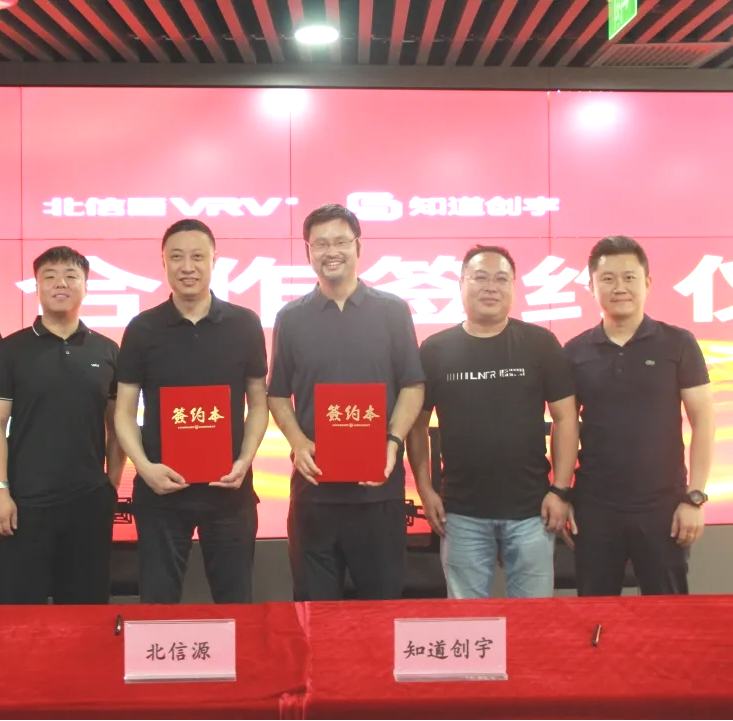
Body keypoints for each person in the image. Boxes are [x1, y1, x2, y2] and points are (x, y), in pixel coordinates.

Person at [267, 203, 426, 602]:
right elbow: (277, 393)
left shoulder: (392, 311)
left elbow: (412, 385)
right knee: (314, 613)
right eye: (320, 243)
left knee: (381, 612)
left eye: (340, 241)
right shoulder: (291, 317)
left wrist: (392, 443)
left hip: (378, 491)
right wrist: (298, 442)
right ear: (308, 252)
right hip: (314, 492)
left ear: (358, 246)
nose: (331, 251)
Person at [407, 244, 578, 600]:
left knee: (533, 620)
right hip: (461, 513)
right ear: (461, 284)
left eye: (501, 279)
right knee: (467, 622)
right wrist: (425, 490)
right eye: (480, 278)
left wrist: (560, 489)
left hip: (532, 511)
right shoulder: (435, 349)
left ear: (513, 287)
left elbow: (565, 419)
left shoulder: (540, 344)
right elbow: (416, 425)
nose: (491, 287)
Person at [113, 219, 269, 605]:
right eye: (177, 257)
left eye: (198, 257)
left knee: (236, 605)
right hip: (161, 495)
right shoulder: (142, 329)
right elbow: (124, 411)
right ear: (163, 262)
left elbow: (258, 403)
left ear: (214, 261)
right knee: (158, 605)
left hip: (229, 493)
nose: (187, 267)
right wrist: (144, 468)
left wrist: (245, 460)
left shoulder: (245, 324)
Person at [564, 235, 714, 596]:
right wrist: (564, 493)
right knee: (595, 614)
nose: (619, 287)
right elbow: (565, 427)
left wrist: (694, 497)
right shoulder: (574, 351)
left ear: (647, 282)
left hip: (664, 506)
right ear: (591, 287)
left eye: (629, 277)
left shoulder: (678, 343)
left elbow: (703, 422)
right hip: (595, 507)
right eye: (607, 278)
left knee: (668, 613)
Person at [0, 246, 126, 605]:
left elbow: (118, 425)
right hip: (25, 503)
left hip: (88, 502)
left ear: (86, 287)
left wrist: (110, 484)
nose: (61, 283)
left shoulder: (107, 351)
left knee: (86, 610)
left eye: (71, 276)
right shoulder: (10, 351)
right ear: (37, 287)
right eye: (50, 276)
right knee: (21, 612)